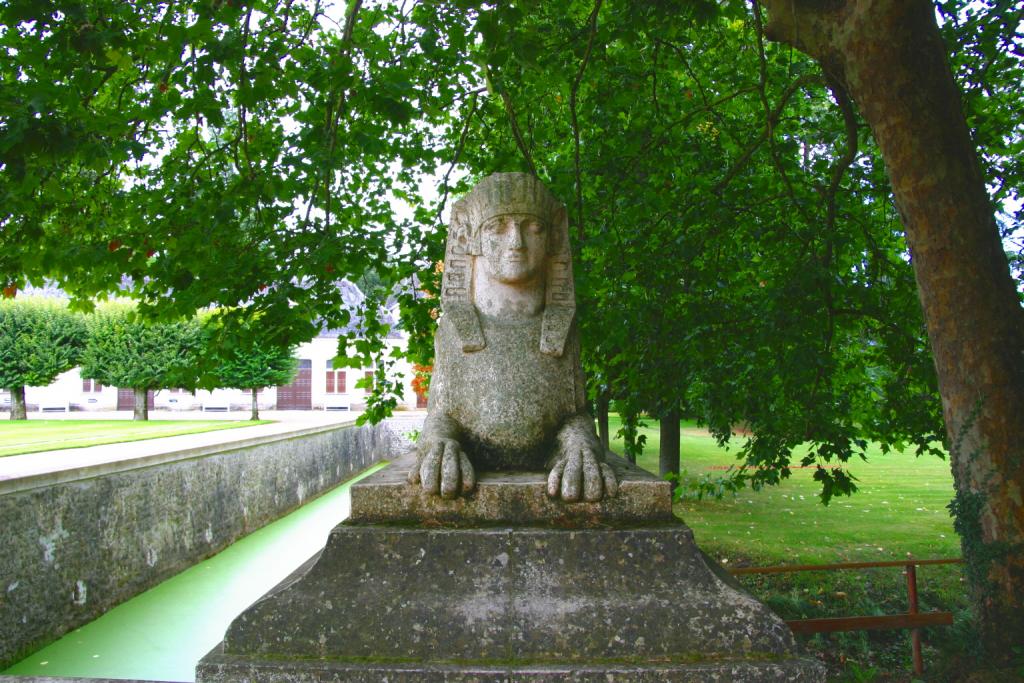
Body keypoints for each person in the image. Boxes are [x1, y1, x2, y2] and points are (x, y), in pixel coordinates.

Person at [409, 173, 617, 502]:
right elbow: (442, 415)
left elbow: (573, 414)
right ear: (471, 237)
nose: (516, 242)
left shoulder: (563, 330)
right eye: (498, 227)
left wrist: (579, 443)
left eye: (533, 228)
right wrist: (440, 443)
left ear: (552, 237)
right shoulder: (453, 331)